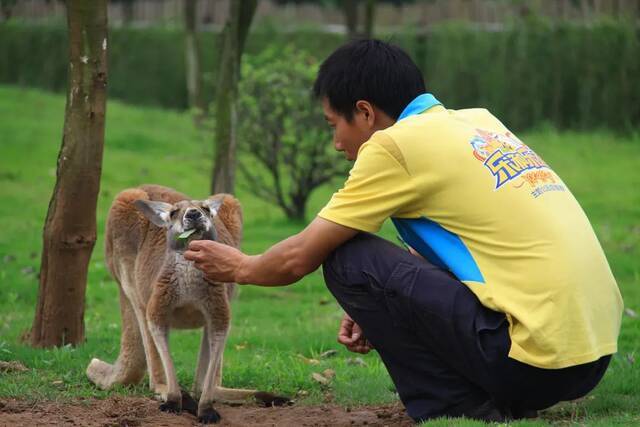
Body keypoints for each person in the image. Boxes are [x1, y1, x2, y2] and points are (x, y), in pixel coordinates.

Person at [184, 39, 623, 422]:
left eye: (333, 125)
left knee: (346, 258)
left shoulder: (394, 144)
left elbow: (302, 256)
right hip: (589, 357)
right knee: (371, 265)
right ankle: (495, 393)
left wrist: (241, 266)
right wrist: (385, 308)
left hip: (533, 364)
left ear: (365, 113)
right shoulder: (478, 123)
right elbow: (471, 243)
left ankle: (453, 408)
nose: (336, 143)